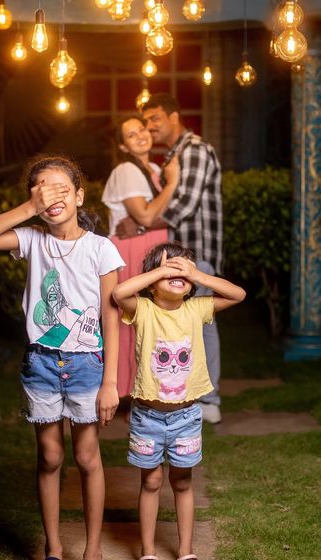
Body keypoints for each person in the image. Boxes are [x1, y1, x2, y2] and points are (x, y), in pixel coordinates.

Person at [0, 155, 125, 560]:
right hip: (41, 363)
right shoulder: (32, 239)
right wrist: (29, 208)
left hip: (87, 364)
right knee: (51, 456)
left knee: (86, 456)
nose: (52, 197)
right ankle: (53, 546)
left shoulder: (100, 248)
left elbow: (112, 316)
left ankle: (92, 549)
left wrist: (110, 382)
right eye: (41, 189)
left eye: (61, 189)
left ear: (79, 196)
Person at [112, 241, 245, 560]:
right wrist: (159, 271)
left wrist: (198, 274)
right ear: (152, 282)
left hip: (186, 417)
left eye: (183, 270)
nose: (177, 273)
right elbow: (119, 293)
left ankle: (186, 551)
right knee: (151, 482)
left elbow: (238, 295)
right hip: (147, 417)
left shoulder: (196, 309)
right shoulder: (143, 310)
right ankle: (148, 551)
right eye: (168, 268)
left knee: (183, 482)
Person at [116, 93, 223, 424]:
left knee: (203, 323)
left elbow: (184, 205)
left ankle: (209, 401)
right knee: (181, 326)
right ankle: (179, 394)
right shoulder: (173, 155)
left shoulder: (196, 150)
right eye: (145, 121)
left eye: (155, 119)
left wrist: (141, 223)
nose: (149, 127)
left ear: (174, 117)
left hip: (197, 253)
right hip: (179, 254)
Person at [102, 115, 179, 396]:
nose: (141, 136)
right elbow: (146, 214)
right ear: (123, 146)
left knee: (154, 320)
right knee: (133, 319)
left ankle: (154, 388)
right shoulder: (126, 170)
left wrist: (148, 223)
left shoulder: (155, 169)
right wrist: (172, 184)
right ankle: (129, 391)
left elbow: (160, 216)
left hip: (151, 248)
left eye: (142, 129)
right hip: (132, 251)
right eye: (131, 135)